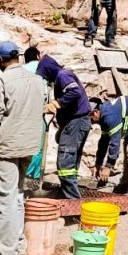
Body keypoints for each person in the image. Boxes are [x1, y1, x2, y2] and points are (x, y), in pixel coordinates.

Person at [0, 41, 46, 255]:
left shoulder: (2, 81)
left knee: (4, 202)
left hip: (6, 149)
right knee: (17, 197)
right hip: (29, 147)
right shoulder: (38, 80)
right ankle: (16, 246)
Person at [35, 56, 92, 199]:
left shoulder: (63, 75)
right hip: (75, 122)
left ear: (48, 71)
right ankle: (68, 194)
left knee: (65, 163)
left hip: (76, 122)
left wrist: (56, 104)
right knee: (70, 163)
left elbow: (74, 92)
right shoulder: (63, 76)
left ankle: (73, 201)